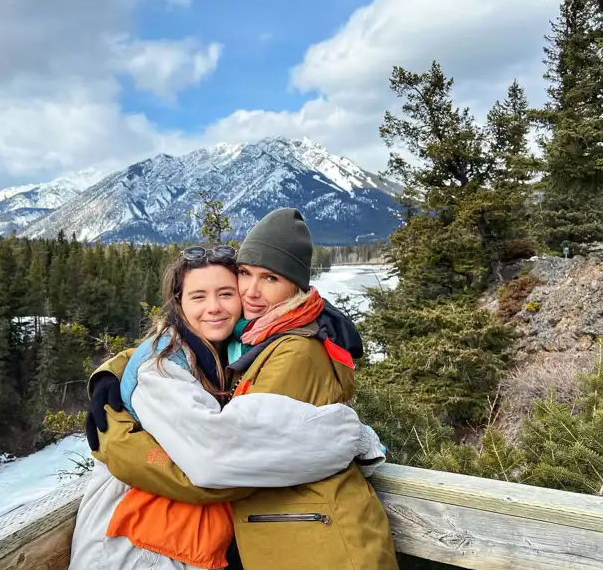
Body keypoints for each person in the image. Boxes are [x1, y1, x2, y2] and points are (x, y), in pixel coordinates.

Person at [82, 208, 399, 570]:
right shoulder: (242, 339)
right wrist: (114, 372)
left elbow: (224, 460)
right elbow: (162, 354)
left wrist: (115, 439)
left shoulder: (287, 349)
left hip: (320, 543)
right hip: (136, 547)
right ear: (179, 306)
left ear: (296, 285)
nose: (249, 292)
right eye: (245, 275)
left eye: (268, 278)